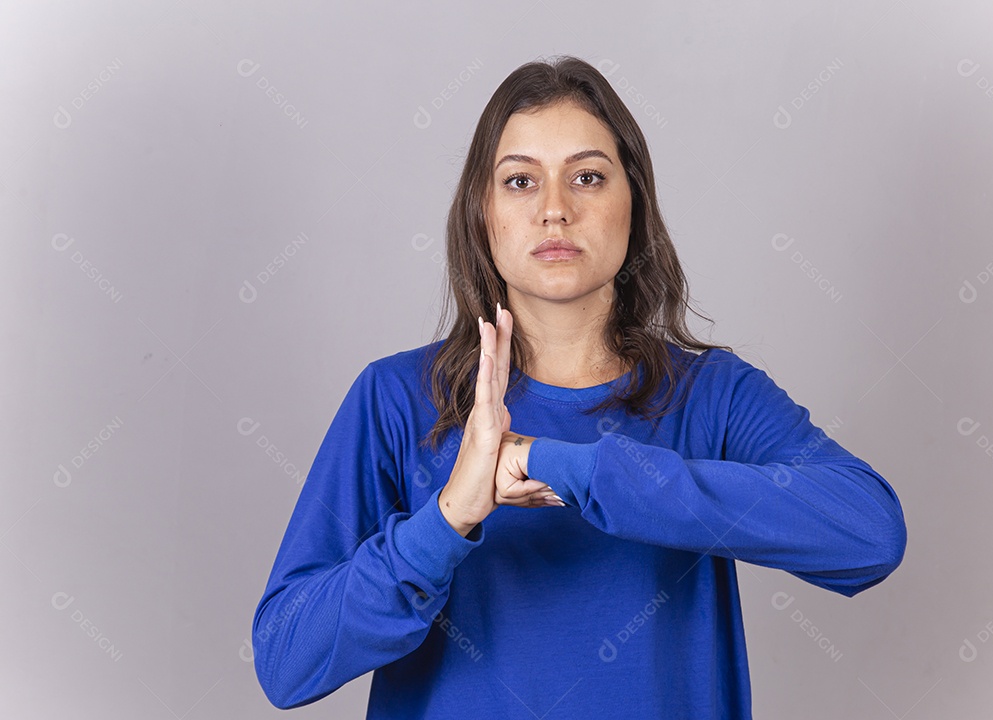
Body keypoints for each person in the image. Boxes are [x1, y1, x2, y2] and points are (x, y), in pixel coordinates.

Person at [251, 55, 907, 718]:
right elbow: (286, 661)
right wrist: (447, 518)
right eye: (520, 181)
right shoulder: (394, 398)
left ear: (634, 203)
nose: (555, 211)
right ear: (482, 212)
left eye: (587, 177)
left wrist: (570, 467)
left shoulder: (714, 397)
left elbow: (868, 535)